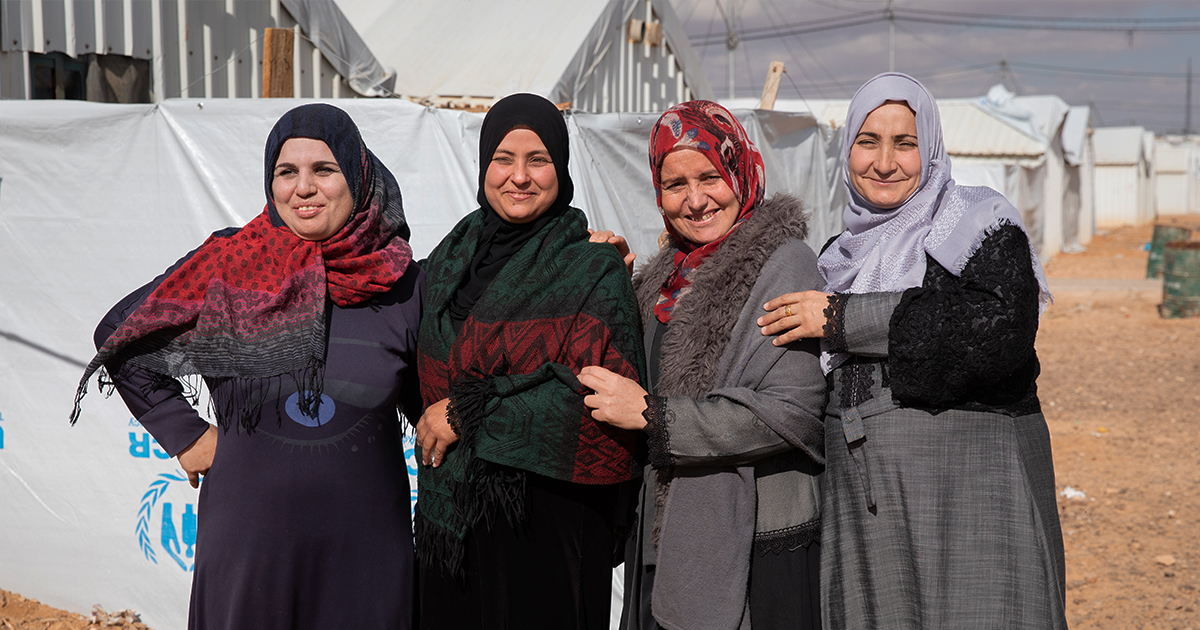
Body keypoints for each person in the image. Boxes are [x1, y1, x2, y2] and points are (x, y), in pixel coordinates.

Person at [73, 103, 422, 630]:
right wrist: (186, 435)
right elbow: (119, 338)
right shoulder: (227, 266)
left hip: (366, 555)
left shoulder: (401, 283)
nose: (303, 188)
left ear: (357, 175)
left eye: (324, 170)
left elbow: (440, 392)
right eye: (287, 172)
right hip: (248, 552)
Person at [758, 73, 1068, 628]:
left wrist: (842, 317)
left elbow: (999, 328)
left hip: (972, 494)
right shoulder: (834, 256)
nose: (884, 162)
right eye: (868, 141)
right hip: (865, 508)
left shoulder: (979, 225)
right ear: (847, 147)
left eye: (906, 143)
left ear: (932, 148)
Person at [580, 100, 826, 630]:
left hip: (752, 540)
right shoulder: (663, 278)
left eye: (710, 176)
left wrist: (654, 417)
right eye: (675, 185)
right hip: (664, 540)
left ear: (740, 171)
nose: (695, 201)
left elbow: (792, 410)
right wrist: (609, 285)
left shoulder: (783, 264)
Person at [412, 92, 644, 629]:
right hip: (451, 527)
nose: (519, 176)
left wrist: (465, 413)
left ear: (560, 170)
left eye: (538, 160)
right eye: (503, 159)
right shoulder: (449, 262)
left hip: (548, 528)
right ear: (483, 166)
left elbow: (597, 397)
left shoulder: (592, 269)